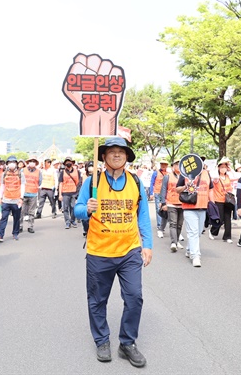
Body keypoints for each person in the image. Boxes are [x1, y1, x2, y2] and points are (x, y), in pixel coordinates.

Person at [74, 137, 152, 367]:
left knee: (134, 297)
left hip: (129, 251)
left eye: (121, 152)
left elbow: (143, 216)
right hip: (99, 251)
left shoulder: (135, 182)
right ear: (104, 157)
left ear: (127, 157)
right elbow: (77, 210)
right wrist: (86, 209)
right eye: (112, 152)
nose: (117, 155)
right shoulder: (92, 182)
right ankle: (101, 340)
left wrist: (147, 245)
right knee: (97, 300)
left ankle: (127, 343)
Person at [175, 156, 214, 267]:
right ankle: (195, 255)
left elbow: (210, 189)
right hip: (189, 207)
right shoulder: (185, 173)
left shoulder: (207, 173)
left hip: (203, 207)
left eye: (201, 160)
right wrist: (185, 186)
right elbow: (177, 189)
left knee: (198, 232)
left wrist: (213, 204)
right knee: (193, 232)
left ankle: (189, 249)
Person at [0, 156, 24, 242]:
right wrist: (0, 197)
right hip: (6, 199)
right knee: (3, 218)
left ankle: (15, 233)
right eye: (10, 162)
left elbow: (22, 186)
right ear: (7, 164)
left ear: (16, 164)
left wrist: (21, 198)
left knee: (16, 218)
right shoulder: (4, 174)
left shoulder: (20, 174)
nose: (12, 164)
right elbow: (2, 185)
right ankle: (0, 235)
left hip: (16, 200)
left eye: (13, 162)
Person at [160, 160, 185, 251]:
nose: (178, 167)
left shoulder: (185, 177)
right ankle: (173, 242)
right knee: (173, 223)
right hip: (171, 203)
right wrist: (163, 203)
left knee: (180, 224)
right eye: (176, 165)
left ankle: (177, 240)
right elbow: (163, 190)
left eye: (180, 165)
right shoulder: (167, 177)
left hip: (183, 203)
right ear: (173, 166)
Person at [210, 157, 235, 243]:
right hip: (218, 200)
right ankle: (213, 231)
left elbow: (235, 176)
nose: (223, 169)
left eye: (225, 167)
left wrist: (230, 168)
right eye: (222, 167)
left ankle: (227, 236)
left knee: (228, 218)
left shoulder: (228, 176)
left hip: (228, 200)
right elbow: (213, 175)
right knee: (220, 218)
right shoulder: (216, 178)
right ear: (218, 168)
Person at [58, 157, 82, 229]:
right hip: (65, 192)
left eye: (69, 161)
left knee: (73, 207)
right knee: (65, 208)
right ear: (65, 164)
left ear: (72, 163)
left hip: (74, 192)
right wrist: (60, 194)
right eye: (67, 162)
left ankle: (72, 220)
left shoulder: (77, 172)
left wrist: (79, 193)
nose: (68, 163)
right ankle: (67, 222)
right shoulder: (63, 172)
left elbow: (79, 183)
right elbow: (60, 183)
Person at [20, 156, 42, 233]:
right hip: (23, 194)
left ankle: (30, 226)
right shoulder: (23, 170)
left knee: (31, 212)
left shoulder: (38, 172)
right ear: (28, 162)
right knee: (21, 211)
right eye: (31, 161)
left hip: (33, 194)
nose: (32, 162)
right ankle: (20, 226)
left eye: (34, 161)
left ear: (36, 163)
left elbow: (40, 182)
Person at [150, 160, 169, 237]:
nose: (163, 166)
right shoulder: (156, 173)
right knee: (158, 209)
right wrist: (151, 193)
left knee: (164, 209)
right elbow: (152, 182)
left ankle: (162, 225)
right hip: (157, 192)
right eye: (162, 164)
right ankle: (159, 225)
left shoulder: (168, 174)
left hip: (165, 194)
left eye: (165, 164)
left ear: (167, 166)